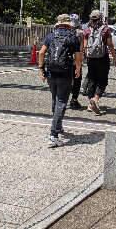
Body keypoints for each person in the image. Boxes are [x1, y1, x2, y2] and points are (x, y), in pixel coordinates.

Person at [39, 14, 82, 148]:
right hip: (65, 73)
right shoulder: (72, 37)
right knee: (62, 102)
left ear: (58, 24)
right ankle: (53, 134)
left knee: (55, 99)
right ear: (68, 24)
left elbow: (41, 53)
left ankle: (58, 125)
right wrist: (78, 69)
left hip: (51, 72)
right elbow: (78, 56)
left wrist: (42, 70)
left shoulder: (50, 36)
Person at [83, 9, 116, 115]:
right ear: (100, 18)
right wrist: (115, 57)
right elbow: (110, 45)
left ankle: (90, 103)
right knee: (102, 80)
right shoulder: (105, 30)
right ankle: (95, 99)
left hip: (90, 58)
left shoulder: (87, 30)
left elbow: (84, 46)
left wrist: (87, 55)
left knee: (92, 79)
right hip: (103, 58)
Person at [68, 13, 84, 110]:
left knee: (67, 79)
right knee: (77, 79)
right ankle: (74, 100)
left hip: (66, 59)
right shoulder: (80, 32)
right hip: (76, 59)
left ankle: (62, 99)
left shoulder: (65, 31)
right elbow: (81, 48)